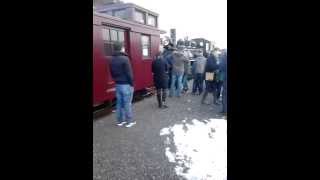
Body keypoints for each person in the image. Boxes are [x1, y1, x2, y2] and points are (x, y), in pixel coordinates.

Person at [110, 42, 136, 128]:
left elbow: (112, 73)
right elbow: (129, 74)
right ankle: (129, 122)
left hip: (118, 85)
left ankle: (120, 121)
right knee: (127, 103)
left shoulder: (112, 59)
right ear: (121, 48)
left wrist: (116, 79)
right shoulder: (125, 59)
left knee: (119, 103)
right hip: (126, 85)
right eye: (123, 47)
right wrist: (132, 84)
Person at [219, 49, 227, 114]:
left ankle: (225, 110)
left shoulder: (224, 58)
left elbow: (221, 67)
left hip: (226, 79)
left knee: (224, 94)